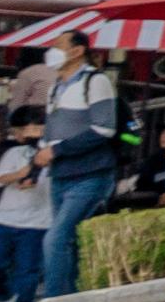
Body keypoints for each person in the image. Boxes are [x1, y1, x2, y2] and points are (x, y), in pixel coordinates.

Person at [42, 45, 125, 289]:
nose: (52, 50)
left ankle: (53, 300)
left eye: (60, 44)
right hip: (60, 173)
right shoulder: (55, 87)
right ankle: (70, 296)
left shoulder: (95, 81)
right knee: (68, 239)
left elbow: (104, 128)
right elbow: (50, 134)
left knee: (56, 238)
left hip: (90, 173)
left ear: (77, 50)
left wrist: (58, 150)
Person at [0, 119, 60, 302]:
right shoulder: (14, 153)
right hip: (7, 217)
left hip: (38, 220)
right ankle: (5, 297)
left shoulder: (56, 154)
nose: (33, 133)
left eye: (38, 128)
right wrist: (22, 173)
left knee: (27, 268)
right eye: (28, 129)